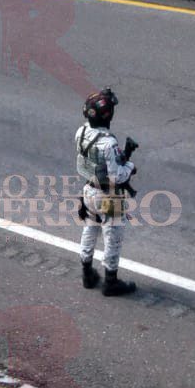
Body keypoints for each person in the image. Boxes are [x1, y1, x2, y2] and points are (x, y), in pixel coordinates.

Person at [74, 88, 138, 297]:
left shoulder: (81, 132)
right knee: (113, 237)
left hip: (89, 191)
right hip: (108, 196)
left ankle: (87, 274)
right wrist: (130, 166)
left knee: (90, 228)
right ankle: (110, 282)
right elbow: (117, 176)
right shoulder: (109, 143)